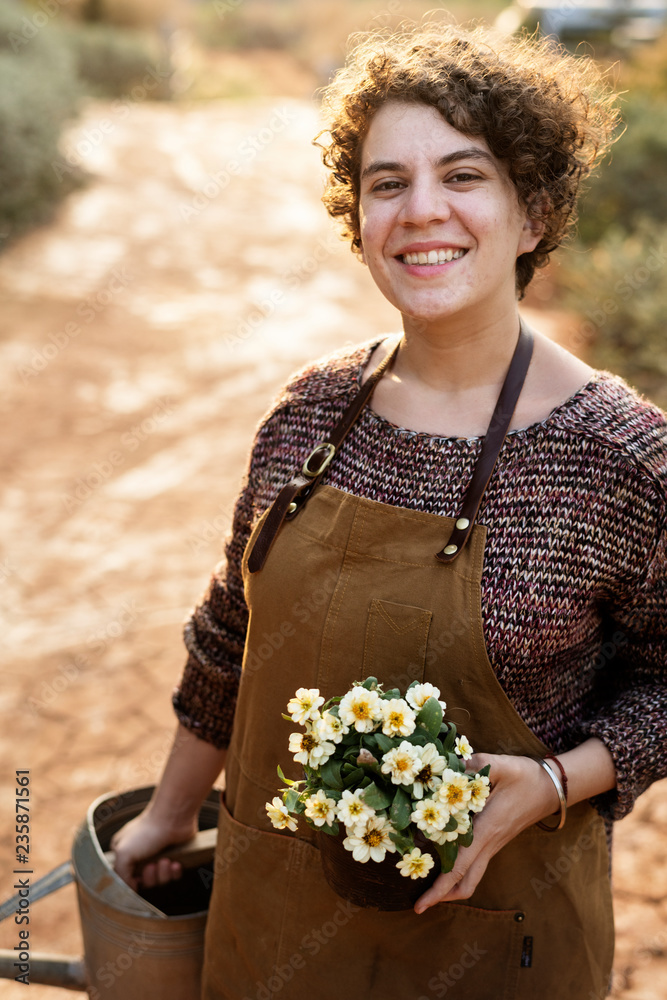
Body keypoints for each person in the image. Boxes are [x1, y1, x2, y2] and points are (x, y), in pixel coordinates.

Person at [111, 21, 667, 1000]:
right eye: (385, 183)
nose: (421, 211)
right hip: (270, 929)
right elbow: (231, 636)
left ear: (532, 211)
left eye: (462, 176)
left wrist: (551, 782)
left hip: (496, 948)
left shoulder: (619, 459)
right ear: (357, 217)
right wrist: (166, 814)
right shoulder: (310, 410)